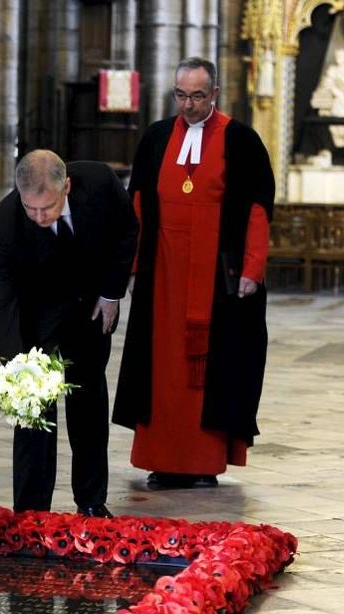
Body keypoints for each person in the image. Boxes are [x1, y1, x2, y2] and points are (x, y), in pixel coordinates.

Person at [112, 57, 275, 489]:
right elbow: (140, 205)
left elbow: (258, 210)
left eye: (198, 96)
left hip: (218, 279)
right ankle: (161, 459)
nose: (188, 104)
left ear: (215, 94)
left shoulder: (241, 140)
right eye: (181, 95)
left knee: (210, 369)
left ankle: (203, 463)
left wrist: (252, 268)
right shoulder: (156, 137)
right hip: (162, 274)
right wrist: (129, 267)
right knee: (161, 369)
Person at [0, 150, 138, 517]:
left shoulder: (100, 182)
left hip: (90, 308)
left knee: (89, 401)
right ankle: (32, 512)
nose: (39, 217)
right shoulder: (4, 226)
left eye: (48, 208)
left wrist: (111, 292)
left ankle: (91, 501)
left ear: (66, 187)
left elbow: (126, 231)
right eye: (30, 208)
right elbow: (0, 302)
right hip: (37, 317)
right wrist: (17, 366)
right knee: (35, 411)